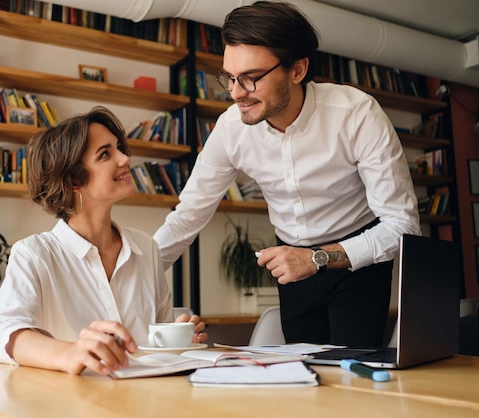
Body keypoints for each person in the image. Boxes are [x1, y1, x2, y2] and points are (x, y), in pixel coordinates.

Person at [153, 1, 421, 347]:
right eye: (230, 78)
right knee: (305, 371)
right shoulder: (230, 129)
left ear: (297, 70)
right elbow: (187, 215)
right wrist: (132, 276)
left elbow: (402, 225)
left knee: (353, 370)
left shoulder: (356, 113)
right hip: (290, 264)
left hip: (358, 257)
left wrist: (317, 258)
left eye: (250, 78)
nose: (236, 93)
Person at [0, 106, 206, 376]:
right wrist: (69, 352)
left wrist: (178, 336)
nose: (125, 159)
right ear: (73, 179)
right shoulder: (34, 255)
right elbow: (0, 337)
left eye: (120, 148)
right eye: (106, 154)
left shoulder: (146, 247)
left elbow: (154, 344)